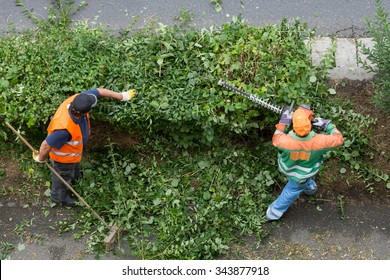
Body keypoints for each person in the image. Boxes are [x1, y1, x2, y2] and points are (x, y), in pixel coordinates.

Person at [32, 88, 136, 206]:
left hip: (74, 155)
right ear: (82, 113)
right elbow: (46, 145)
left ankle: (74, 177)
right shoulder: (63, 129)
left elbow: (98, 91)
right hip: (63, 160)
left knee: (73, 170)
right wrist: (41, 158)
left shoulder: (79, 100)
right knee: (63, 175)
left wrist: (121, 96)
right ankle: (58, 197)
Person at [266, 104, 344, 221]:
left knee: (295, 188)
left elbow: (276, 136)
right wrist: (328, 125)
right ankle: (308, 189)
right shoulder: (320, 142)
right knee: (296, 187)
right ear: (310, 126)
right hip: (305, 173)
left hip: (287, 169)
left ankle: (275, 211)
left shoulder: (284, 141)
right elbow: (339, 139)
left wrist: (284, 121)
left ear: (294, 127)